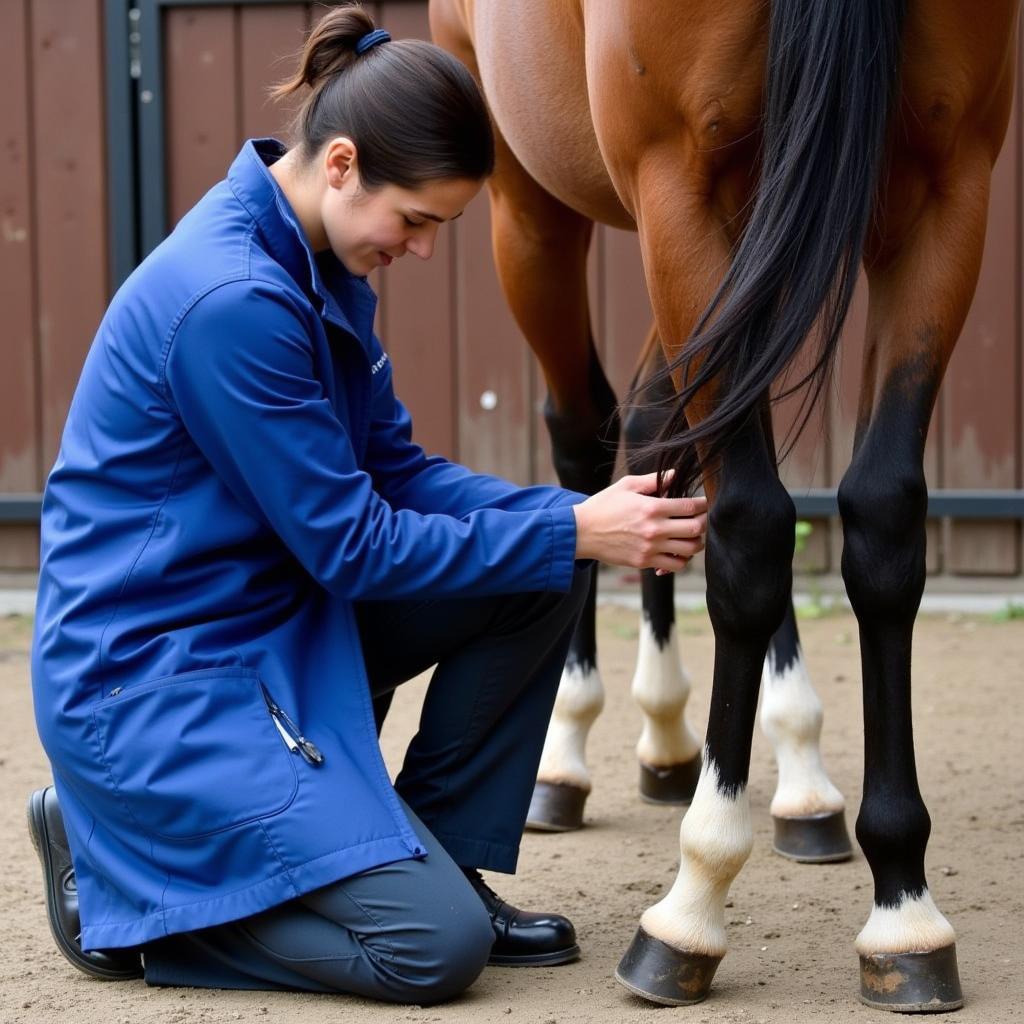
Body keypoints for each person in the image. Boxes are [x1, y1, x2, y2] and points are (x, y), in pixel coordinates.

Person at [27, 4, 707, 1005]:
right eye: (418, 221)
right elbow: (354, 547)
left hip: (262, 624)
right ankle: (122, 896)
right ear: (340, 164)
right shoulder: (235, 303)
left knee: (542, 560)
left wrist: (574, 516)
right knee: (430, 950)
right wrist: (569, 524)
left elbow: (395, 469)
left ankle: (435, 855)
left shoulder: (319, 261)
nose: (424, 251)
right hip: (156, 685)